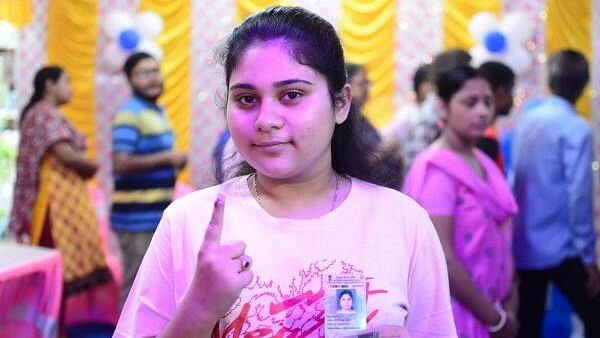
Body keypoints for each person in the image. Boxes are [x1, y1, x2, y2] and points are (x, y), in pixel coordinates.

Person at [114, 6, 457, 337]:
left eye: (292, 95)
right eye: (247, 99)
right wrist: (200, 309)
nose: (266, 121)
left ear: (341, 103)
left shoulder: (403, 222)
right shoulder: (189, 222)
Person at [403, 65, 519, 338]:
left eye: (487, 102)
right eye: (470, 102)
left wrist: (510, 302)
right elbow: (443, 257)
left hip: (497, 308)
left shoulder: (484, 162)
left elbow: (500, 237)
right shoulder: (437, 170)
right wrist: (494, 319)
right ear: (443, 108)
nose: (482, 111)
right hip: (459, 317)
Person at [512, 49, 600, 338]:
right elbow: (579, 195)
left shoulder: (529, 118)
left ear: (550, 80)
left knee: (528, 324)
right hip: (562, 247)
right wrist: (588, 257)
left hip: (525, 244)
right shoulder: (577, 128)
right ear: (584, 84)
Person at [9, 66, 111, 297]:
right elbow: (65, 154)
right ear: (49, 85)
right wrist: (92, 166)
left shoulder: (39, 112)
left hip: (53, 201)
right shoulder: (43, 113)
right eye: (66, 82)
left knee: (54, 270)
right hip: (50, 205)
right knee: (54, 269)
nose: (70, 89)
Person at [111, 52, 187, 307]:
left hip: (154, 212)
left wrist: (171, 164)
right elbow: (120, 163)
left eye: (155, 71)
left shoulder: (156, 111)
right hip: (135, 218)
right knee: (136, 286)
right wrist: (167, 158)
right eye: (144, 73)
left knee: (154, 286)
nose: (153, 78)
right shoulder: (129, 114)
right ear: (131, 80)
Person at [476, 61, 515, 172]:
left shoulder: (480, 132)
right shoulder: (485, 140)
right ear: (501, 92)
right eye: (511, 90)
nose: (512, 98)